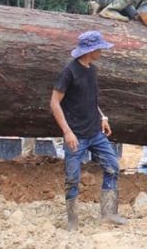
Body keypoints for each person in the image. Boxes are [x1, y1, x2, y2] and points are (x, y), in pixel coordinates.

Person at [49, 30, 128, 231]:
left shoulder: (92, 70)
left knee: (112, 166)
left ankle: (109, 213)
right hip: (76, 135)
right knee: (72, 177)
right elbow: (54, 103)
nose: (102, 51)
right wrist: (67, 132)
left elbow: (90, 99)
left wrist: (102, 117)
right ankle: (72, 221)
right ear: (90, 49)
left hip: (95, 132)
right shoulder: (69, 72)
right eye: (99, 47)